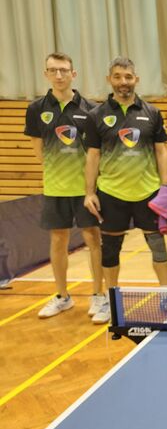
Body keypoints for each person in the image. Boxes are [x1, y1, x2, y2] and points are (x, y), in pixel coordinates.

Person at [84, 57, 167, 323]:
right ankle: (112, 302)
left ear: (136, 79)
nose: (123, 82)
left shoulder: (152, 112)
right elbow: (92, 156)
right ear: (109, 79)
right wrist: (90, 192)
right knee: (110, 250)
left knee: (158, 247)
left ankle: (166, 295)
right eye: (118, 76)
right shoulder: (96, 115)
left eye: (128, 77)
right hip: (111, 194)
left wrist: (166, 188)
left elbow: (161, 151)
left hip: (148, 192)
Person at [23, 52, 104, 318]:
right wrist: (56, 170)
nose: (59, 75)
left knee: (93, 239)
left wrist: (91, 184)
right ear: (46, 74)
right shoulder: (36, 109)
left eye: (63, 70)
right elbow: (38, 149)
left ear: (73, 74)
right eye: (53, 70)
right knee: (58, 240)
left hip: (86, 189)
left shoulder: (91, 108)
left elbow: (96, 151)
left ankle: (99, 296)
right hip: (55, 188)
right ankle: (62, 296)